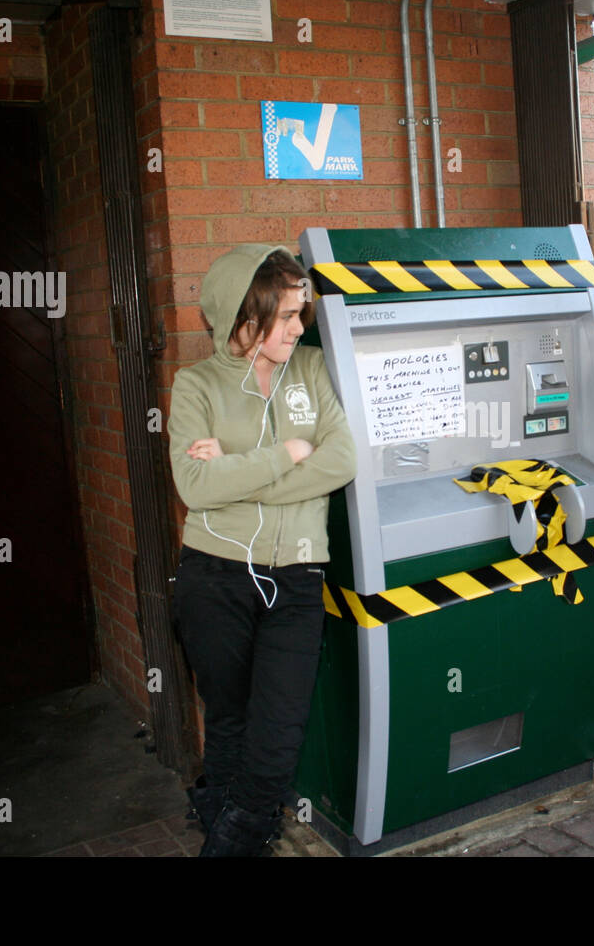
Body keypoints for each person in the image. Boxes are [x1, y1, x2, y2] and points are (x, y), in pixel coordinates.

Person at [168, 245, 356, 856]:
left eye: (301, 314)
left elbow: (343, 458)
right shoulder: (194, 384)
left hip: (298, 575)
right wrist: (287, 454)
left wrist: (240, 474)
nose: (299, 328)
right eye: (285, 317)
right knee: (227, 719)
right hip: (214, 575)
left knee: (277, 732)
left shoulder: (312, 370)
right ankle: (224, 814)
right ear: (244, 318)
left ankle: (235, 839)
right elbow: (194, 486)